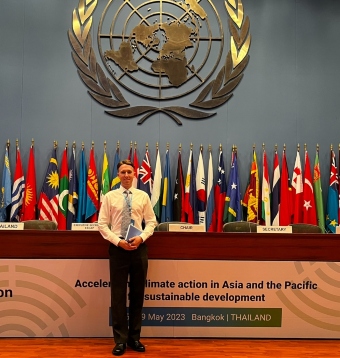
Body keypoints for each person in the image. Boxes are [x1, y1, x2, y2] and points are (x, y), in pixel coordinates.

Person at [98, 159, 157, 356]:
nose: (126, 175)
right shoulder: (109, 196)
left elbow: (151, 222)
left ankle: (134, 338)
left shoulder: (143, 196)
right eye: (122, 172)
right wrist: (118, 241)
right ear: (118, 175)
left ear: (135, 174)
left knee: (138, 294)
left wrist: (141, 237)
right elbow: (102, 224)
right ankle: (120, 340)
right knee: (118, 296)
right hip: (118, 249)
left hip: (139, 248)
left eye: (129, 172)